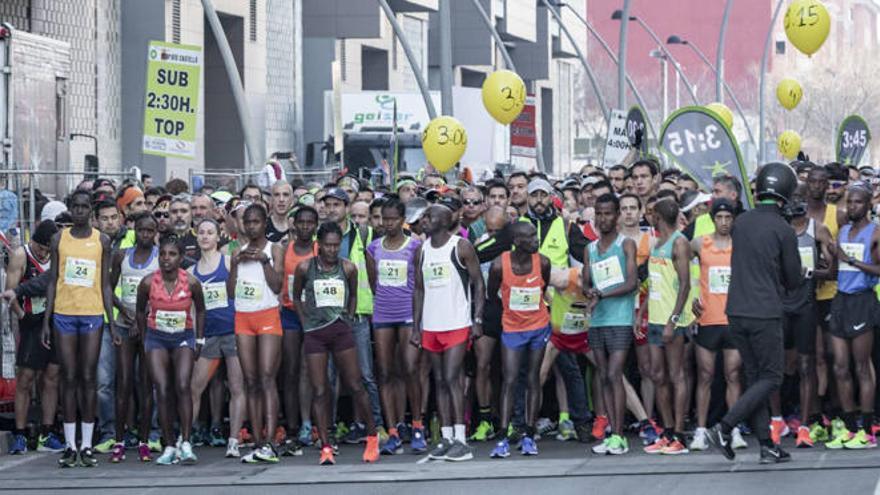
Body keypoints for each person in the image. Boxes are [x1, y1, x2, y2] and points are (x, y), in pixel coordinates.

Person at [707, 162, 802, 464]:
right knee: (772, 378)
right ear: (787, 192)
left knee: (755, 377)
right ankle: (724, 427)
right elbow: (793, 279)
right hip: (765, 312)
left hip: (735, 310)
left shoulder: (741, 222)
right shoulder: (784, 229)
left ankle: (766, 445)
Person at [293, 222, 381, 466]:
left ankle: (372, 437)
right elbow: (296, 296)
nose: (332, 250)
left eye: (335, 245)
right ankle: (326, 446)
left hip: (341, 332)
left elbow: (353, 294)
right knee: (320, 390)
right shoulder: (304, 268)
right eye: (327, 245)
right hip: (315, 334)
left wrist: (349, 317)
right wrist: (304, 322)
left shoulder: (348, 268)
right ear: (318, 245)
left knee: (355, 384)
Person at [42, 190, 115, 468]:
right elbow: (52, 280)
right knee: (68, 377)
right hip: (63, 314)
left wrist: (111, 321)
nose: (81, 211)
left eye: (85, 207)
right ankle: (70, 445)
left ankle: (87, 444)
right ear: (71, 209)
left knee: (88, 378)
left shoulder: (102, 240)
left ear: (91, 212)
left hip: (92, 315)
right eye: (77, 207)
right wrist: (47, 321)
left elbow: (105, 284)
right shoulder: (58, 238)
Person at [412, 205, 485, 462]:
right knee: (439, 380)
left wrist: (477, 319)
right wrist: (416, 327)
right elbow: (419, 290)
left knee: (453, 378)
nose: (424, 220)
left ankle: (461, 439)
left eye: (429, 216)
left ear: (444, 221)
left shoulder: (460, 246)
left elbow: (478, 282)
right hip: (432, 325)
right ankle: (445, 437)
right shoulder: (421, 250)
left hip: (457, 322)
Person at [135, 235, 206, 465]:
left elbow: (202, 310)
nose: (166, 259)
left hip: (183, 338)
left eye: (172, 254)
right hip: (156, 338)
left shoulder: (192, 282)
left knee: (183, 385)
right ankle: (167, 444)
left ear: (181, 257)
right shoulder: (147, 282)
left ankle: (185, 442)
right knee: (162, 389)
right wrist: (146, 339)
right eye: (163, 254)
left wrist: (200, 340)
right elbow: (139, 312)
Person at [365, 196, 426, 455]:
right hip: (383, 316)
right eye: (383, 218)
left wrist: (418, 325)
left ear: (403, 220)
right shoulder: (373, 248)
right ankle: (392, 431)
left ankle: (417, 426)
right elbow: (373, 284)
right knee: (386, 373)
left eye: (392, 219)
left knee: (411, 369)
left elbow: (420, 287)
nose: (387, 223)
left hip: (408, 316)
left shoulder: (414, 246)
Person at [687, 199, 747, 452]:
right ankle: (700, 431)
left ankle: (732, 429)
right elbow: (682, 265)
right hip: (708, 318)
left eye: (728, 217)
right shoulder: (700, 242)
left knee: (733, 375)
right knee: (705, 376)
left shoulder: (742, 244)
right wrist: (692, 295)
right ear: (713, 219)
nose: (724, 222)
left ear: (734, 219)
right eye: (719, 217)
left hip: (733, 318)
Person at [773, 196, 833, 448]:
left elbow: (832, 270)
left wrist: (810, 272)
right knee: (777, 365)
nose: (796, 217)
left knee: (807, 364)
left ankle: (806, 425)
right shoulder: (777, 230)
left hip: (806, 305)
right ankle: (777, 420)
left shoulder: (817, 229)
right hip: (780, 305)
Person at [487, 222, 551, 458]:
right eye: (530, 237)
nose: (536, 240)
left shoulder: (542, 262)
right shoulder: (498, 265)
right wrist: (511, 312)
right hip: (513, 328)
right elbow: (491, 294)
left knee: (533, 378)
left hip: (538, 326)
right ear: (516, 241)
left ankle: (529, 435)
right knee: (510, 379)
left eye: (535, 235)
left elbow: (542, 290)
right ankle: (503, 437)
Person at [228, 203, 285, 463]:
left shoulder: (274, 249)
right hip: (243, 317)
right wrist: (235, 264)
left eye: (256, 222)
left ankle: (271, 442)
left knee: (267, 378)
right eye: (247, 222)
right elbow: (231, 292)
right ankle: (258, 441)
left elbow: (276, 286)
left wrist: (263, 262)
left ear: (265, 223)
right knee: (250, 381)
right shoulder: (236, 252)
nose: (251, 226)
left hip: (267, 315)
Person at [826, 183, 880, 449]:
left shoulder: (875, 233)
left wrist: (852, 260)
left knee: (862, 366)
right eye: (850, 202)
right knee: (840, 366)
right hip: (840, 300)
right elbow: (835, 269)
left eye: (858, 202)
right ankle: (848, 428)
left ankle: (867, 430)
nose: (852, 207)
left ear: (868, 204)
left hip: (862, 301)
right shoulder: (844, 231)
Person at [584, 194, 638, 456]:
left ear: (617, 215)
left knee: (615, 373)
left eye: (607, 213)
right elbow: (586, 282)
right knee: (603, 375)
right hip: (598, 320)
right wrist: (590, 292)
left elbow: (632, 283)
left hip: (620, 318)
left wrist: (603, 294)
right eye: (599, 213)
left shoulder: (625, 244)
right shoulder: (590, 249)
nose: (603, 218)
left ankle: (619, 435)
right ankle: (611, 432)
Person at [189, 218, 247, 459]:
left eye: (209, 232)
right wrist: (194, 339)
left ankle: (233, 440)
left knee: (236, 387)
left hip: (232, 331)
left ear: (218, 236)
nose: (204, 236)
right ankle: (185, 438)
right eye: (201, 232)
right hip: (207, 336)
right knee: (194, 388)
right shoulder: (190, 272)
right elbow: (192, 309)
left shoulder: (228, 262)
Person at [6, 221, 63, 455]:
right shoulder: (21, 255)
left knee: (51, 376)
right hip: (30, 321)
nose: (43, 253)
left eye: (47, 249)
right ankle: (20, 434)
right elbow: (9, 292)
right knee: (26, 378)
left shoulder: (57, 254)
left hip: (53, 320)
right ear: (34, 243)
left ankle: (47, 432)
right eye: (40, 248)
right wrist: (22, 316)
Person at [641, 198, 692, 455]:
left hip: (673, 321)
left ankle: (681, 435)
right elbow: (655, 281)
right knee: (657, 375)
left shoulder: (679, 243)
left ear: (659, 217)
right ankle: (667, 430)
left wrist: (673, 320)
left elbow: (685, 285)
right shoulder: (656, 242)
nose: (649, 217)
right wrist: (641, 312)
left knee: (676, 375)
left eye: (652, 214)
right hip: (654, 319)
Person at [108, 212, 159, 463]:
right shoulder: (122, 255)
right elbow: (108, 287)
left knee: (146, 384)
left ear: (155, 232)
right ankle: (118, 440)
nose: (145, 235)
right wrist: (123, 309)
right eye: (141, 230)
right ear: (134, 231)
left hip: (150, 326)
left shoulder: (160, 257)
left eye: (150, 231)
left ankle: (145, 440)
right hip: (125, 322)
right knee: (124, 382)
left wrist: (143, 315)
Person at [279, 205, 318, 454]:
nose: (305, 226)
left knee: (308, 370)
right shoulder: (285, 249)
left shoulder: (320, 249)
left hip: (314, 315)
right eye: (301, 222)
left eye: (309, 223)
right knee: (290, 370)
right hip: (290, 313)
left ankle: (307, 422)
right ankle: (292, 426)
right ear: (294, 224)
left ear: (315, 226)